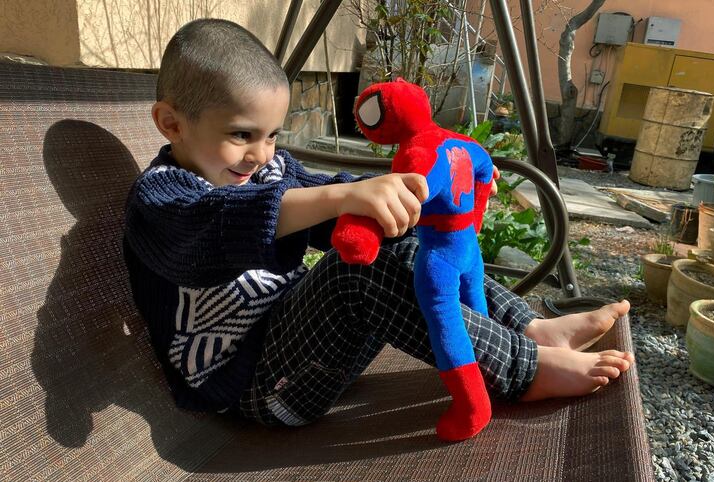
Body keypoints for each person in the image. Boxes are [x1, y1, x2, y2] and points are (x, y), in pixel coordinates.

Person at [123, 18, 634, 429]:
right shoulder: (162, 198)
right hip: (256, 388)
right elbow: (211, 230)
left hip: (318, 347)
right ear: (172, 124)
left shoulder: (269, 168)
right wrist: (340, 195)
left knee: (416, 243)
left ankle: (529, 328)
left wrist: (435, 188)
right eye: (241, 135)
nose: (261, 154)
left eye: (273, 134)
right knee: (356, 276)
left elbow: (328, 197)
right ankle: (523, 369)